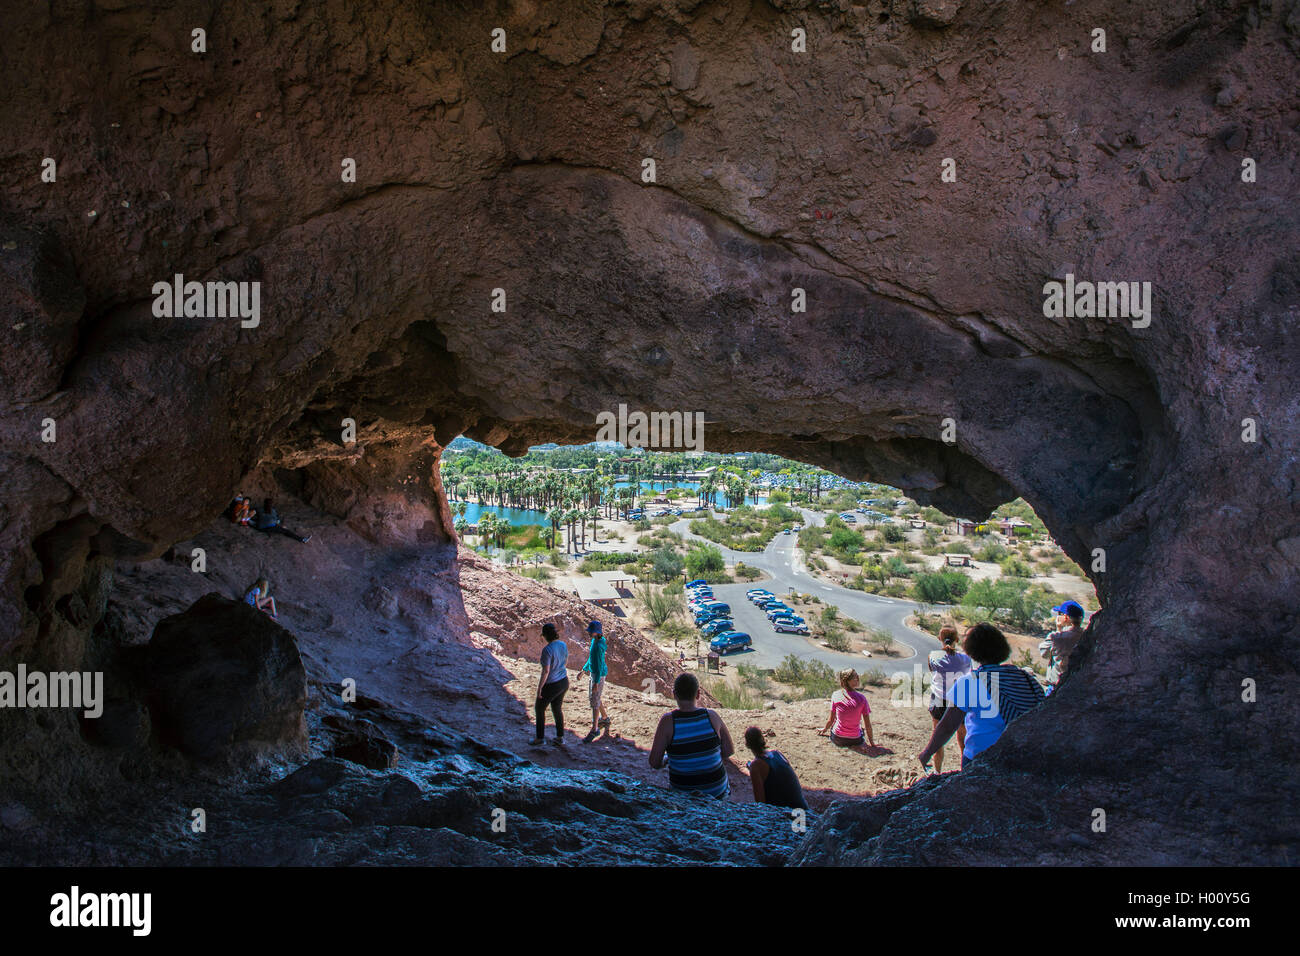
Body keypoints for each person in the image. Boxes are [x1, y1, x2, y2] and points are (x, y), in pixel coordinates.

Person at [919, 622, 1046, 772]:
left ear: (971, 651)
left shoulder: (971, 681)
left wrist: (926, 753)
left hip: (981, 758)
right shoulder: (1025, 678)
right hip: (1023, 755)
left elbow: (947, 726)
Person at [648, 672, 734, 799]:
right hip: (718, 795)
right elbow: (729, 751)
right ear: (698, 694)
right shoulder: (712, 716)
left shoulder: (668, 722)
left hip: (684, 798)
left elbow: (654, 763)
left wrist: (667, 759)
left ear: (674, 694)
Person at [926, 626, 972, 773]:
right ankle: (965, 770)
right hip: (958, 700)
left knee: (938, 737)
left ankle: (936, 772)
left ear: (939, 638)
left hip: (939, 699)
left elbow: (932, 671)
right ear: (957, 640)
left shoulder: (933, 656)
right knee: (963, 737)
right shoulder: (965, 659)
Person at [743, 727, 809, 811]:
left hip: (787, 816)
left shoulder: (755, 767)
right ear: (763, 739)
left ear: (747, 744)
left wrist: (753, 769)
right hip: (803, 811)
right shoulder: (778, 754)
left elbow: (760, 804)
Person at [818, 667, 875, 750]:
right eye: (855, 677)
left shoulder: (836, 695)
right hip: (855, 740)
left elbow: (831, 720)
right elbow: (867, 724)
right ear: (847, 681)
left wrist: (825, 729)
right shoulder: (862, 699)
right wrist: (872, 743)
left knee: (837, 724)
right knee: (861, 729)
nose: (858, 679)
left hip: (838, 738)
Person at [532, 622, 569, 748]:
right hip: (564, 681)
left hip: (552, 683)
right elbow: (565, 660)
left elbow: (546, 671)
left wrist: (540, 689)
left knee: (539, 708)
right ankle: (560, 737)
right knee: (557, 708)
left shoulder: (547, 650)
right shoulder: (563, 644)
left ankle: (540, 738)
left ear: (546, 636)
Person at [1039, 600, 1086, 690]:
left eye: (1059, 613)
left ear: (1065, 617)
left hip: (1057, 686)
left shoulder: (1057, 637)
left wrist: (1058, 629)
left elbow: (1044, 652)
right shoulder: (1085, 636)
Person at [580, 620, 610, 742]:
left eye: (591, 631)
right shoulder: (597, 641)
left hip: (598, 675)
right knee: (596, 697)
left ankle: (595, 729)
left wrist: (596, 682)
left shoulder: (597, 646)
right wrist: (584, 670)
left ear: (596, 632)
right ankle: (605, 718)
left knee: (594, 701)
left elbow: (597, 665)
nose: (589, 633)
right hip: (597, 673)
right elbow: (591, 659)